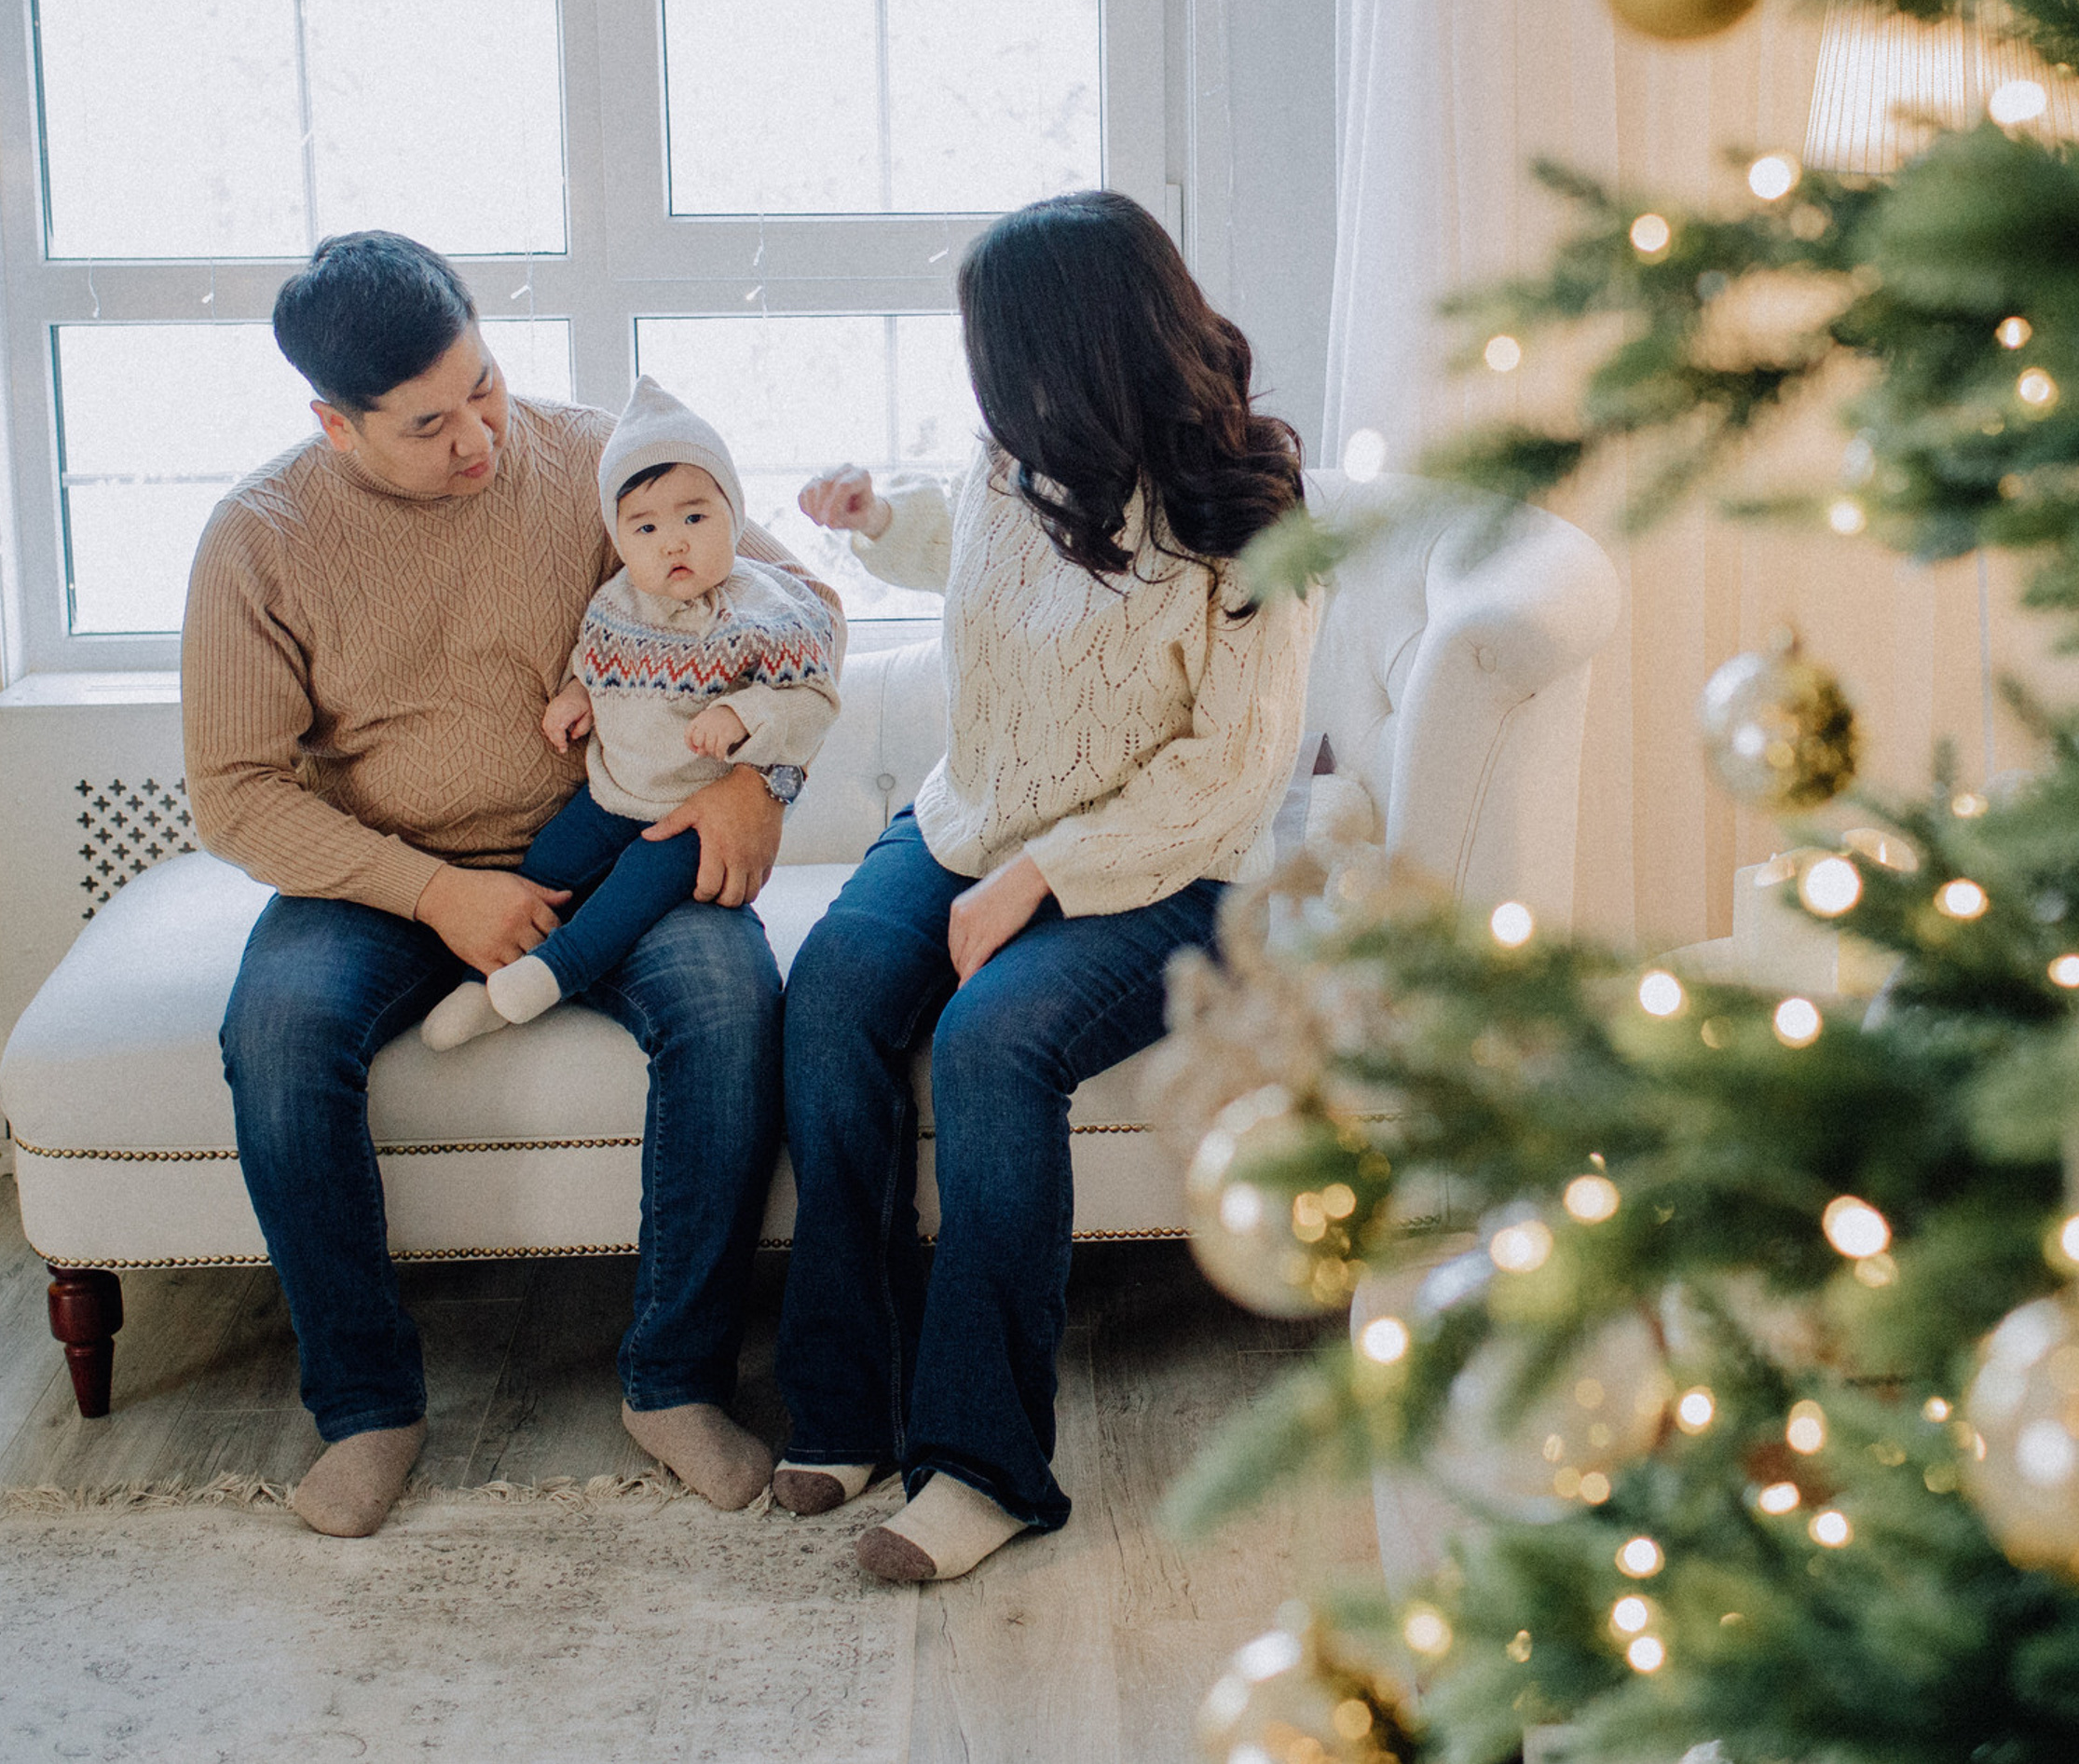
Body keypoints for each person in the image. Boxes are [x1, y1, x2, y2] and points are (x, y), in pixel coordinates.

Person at [185, 233, 834, 1538]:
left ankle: (671, 1382)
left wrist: (753, 785)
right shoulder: (258, 539)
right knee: (276, 1033)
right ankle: (368, 1406)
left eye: (482, 383)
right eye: (428, 423)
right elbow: (237, 794)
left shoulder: (596, 461)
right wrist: (434, 895)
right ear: (333, 422)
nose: (478, 434)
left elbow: (803, 608)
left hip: (612, 843)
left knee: (730, 1005)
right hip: (377, 873)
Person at [773, 190, 1320, 1584]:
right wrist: (874, 517)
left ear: (1072, 349)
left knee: (991, 1045)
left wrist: (1041, 876)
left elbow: (1232, 778)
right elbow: (971, 564)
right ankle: (848, 1402)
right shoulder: (1013, 460)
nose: (980, 383)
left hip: (1172, 870)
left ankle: (984, 1464)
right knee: (832, 996)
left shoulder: (1249, 516)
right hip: (974, 818)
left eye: (993, 351)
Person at [421, 376, 842, 1050]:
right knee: (548, 863)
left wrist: (742, 715)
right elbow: (594, 658)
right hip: (613, 793)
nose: (672, 542)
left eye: (695, 518)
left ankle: (548, 980)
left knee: (630, 894)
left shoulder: (768, 608)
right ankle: (481, 981)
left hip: (693, 811)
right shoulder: (617, 600)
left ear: (736, 514)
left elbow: (812, 700)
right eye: (646, 527)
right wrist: (574, 695)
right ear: (619, 538)